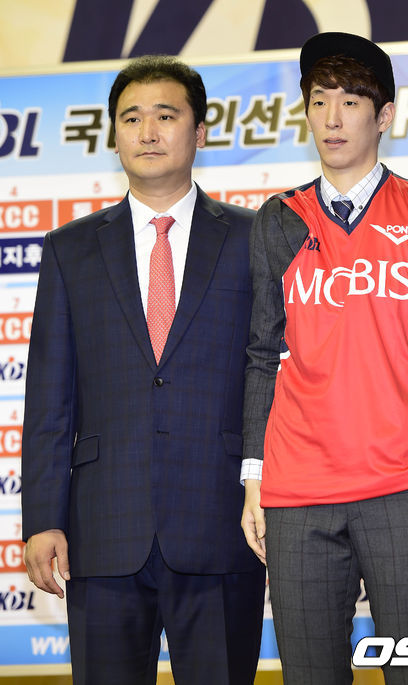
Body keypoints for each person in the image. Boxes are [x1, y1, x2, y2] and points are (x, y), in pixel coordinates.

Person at [241, 32, 408, 685]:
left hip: (406, 488)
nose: (333, 117)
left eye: (350, 101)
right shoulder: (279, 218)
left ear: (385, 115)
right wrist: (255, 477)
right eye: (319, 101)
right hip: (297, 493)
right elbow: (262, 354)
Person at [22, 55, 265, 685]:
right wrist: (43, 519)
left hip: (221, 524)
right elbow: (49, 398)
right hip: (102, 529)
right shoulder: (70, 248)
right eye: (131, 119)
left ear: (200, 131)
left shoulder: (254, 238)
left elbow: (273, 377)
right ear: (114, 136)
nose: (148, 132)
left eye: (165, 116)